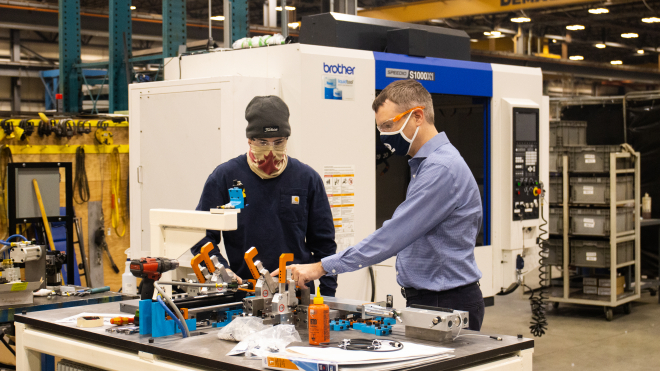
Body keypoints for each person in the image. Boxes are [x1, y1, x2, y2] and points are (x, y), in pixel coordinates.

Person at [285, 80, 485, 330]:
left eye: (389, 125)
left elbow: (394, 236)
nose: (384, 135)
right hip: (432, 299)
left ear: (418, 116)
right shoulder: (427, 165)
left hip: (445, 302)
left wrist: (321, 267)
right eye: (380, 128)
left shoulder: (441, 169)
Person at [191, 95, 338, 296]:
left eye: (278, 142)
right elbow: (201, 235)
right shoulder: (224, 177)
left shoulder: (307, 178)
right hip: (244, 292)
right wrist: (221, 271)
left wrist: (328, 295)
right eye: (263, 142)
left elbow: (324, 245)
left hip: (297, 294)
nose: (271, 151)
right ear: (249, 140)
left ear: (287, 139)